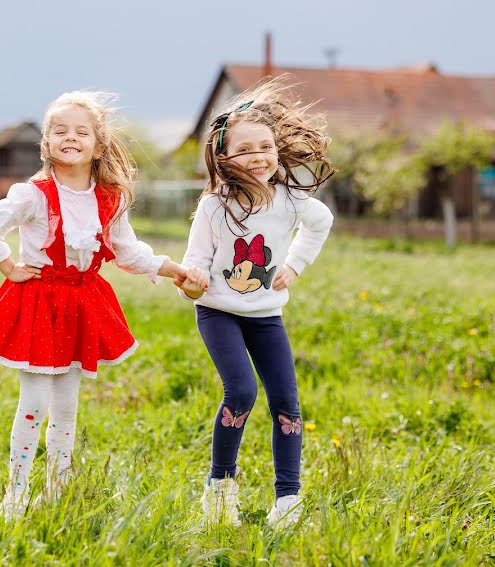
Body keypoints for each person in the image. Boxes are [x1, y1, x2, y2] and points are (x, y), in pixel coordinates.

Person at [0, 91, 205, 520]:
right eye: (59, 130)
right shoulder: (33, 195)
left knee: (67, 405)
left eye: (82, 131)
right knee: (35, 400)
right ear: (46, 142)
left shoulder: (110, 199)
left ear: (98, 146)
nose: (69, 137)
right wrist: (8, 266)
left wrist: (176, 270)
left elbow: (129, 253)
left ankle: (57, 489)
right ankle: (15, 494)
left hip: (82, 303)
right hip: (40, 300)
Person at [177, 80, 335, 528]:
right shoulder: (213, 206)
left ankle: (288, 499)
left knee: (287, 401)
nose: (259, 157)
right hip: (218, 311)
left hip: (267, 315)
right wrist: (193, 281)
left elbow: (320, 223)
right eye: (246, 150)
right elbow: (195, 262)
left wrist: (297, 265)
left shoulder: (289, 198)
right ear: (225, 159)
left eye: (266, 147)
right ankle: (220, 489)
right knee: (242, 391)